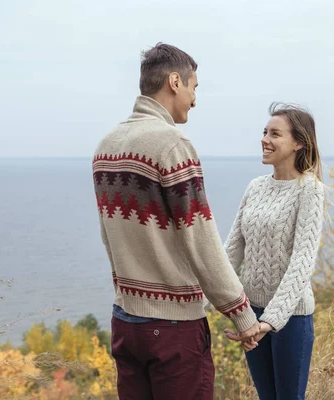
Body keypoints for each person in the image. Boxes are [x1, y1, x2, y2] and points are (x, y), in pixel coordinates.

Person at [92, 43, 259, 400]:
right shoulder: (172, 145)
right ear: (174, 82)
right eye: (194, 87)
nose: (195, 99)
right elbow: (201, 241)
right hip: (172, 329)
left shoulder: (105, 146)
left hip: (125, 322)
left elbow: (108, 236)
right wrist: (242, 315)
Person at [224, 103, 325, 400]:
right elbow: (231, 250)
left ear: (298, 143)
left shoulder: (310, 189)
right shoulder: (255, 187)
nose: (265, 139)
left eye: (275, 134)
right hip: (251, 315)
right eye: (264, 132)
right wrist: (201, 301)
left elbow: (302, 263)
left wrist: (271, 321)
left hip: (291, 318)